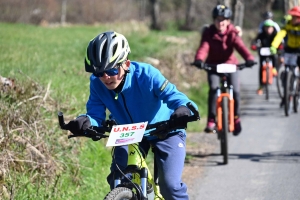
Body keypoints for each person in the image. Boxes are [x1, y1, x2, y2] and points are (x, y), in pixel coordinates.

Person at [63, 31, 198, 199]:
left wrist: (183, 109)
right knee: (117, 179)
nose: (105, 77)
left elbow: (175, 96)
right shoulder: (97, 84)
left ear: (126, 64)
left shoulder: (147, 75)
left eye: (111, 70)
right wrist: (85, 122)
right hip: (128, 131)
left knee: (170, 186)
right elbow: (95, 115)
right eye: (99, 72)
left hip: (165, 129)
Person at [193, 4, 255, 136]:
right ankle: (211, 119)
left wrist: (249, 58)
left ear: (228, 21)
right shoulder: (209, 33)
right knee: (214, 89)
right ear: (214, 20)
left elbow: (241, 47)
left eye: (223, 20)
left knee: (236, 91)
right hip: (213, 66)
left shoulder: (233, 33)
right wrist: (199, 60)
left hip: (230, 66)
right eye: (218, 19)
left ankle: (236, 118)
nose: (220, 22)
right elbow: (204, 48)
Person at [270, 6, 300, 107]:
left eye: (296, 17)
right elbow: (280, 35)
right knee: (286, 71)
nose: (294, 19)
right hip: (290, 49)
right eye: (293, 16)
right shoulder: (288, 24)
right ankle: (286, 94)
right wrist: (274, 46)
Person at [251, 19, 281, 95]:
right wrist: (254, 45)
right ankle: (261, 86)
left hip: (272, 52)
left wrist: (279, 47)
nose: (268, 29)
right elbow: (255, 41)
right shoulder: (261, 35)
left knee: (275, 57)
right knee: (261, 67)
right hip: (263, 52)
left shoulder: (275, 34)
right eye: (266, 27)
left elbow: (280, 42)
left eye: (270, 27)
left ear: (273, 28)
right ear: (264, 28)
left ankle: (274, 69)